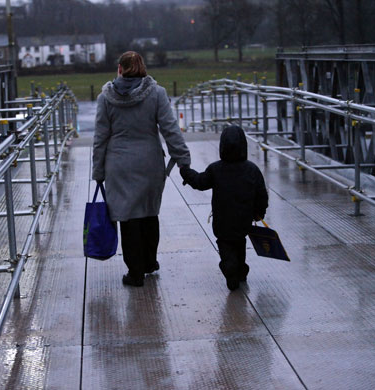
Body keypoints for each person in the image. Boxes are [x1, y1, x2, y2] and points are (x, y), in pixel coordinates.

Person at [92, 51, 191, 287]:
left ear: (119, 69)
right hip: (149, 164)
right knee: (149, 213)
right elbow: (170, 130)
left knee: (127, 218)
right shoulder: (157, 94)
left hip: (119, 165)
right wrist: (182, 158)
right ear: (142, 67)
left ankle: (134, 272)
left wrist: (98, 172)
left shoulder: (105, 98)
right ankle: (149, 262)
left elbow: (100, 138)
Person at [180, 125, 268, 291]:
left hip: (222, 219)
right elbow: (261, 194)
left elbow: (200, 182)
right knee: (240, 244)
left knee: (225, 245)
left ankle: (230, 268)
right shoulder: (252, 170)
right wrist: (259, 212)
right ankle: (241, 270)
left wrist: (186, 172)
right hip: (244, 219)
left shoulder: (216, 169)